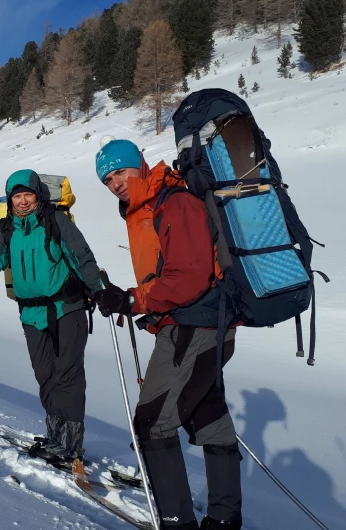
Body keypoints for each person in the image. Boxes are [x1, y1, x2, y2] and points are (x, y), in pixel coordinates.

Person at [94, 139, 242, 530]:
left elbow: (187, 277)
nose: (116, 183)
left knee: (152, 423)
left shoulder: (172, 201)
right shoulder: (149, 205)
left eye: (121, 172)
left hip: (192, 325)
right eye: (108, 179)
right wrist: (136, 299)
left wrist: (133, 299)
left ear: (139, 164)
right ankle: (224, 519)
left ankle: (176, 523)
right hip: (206, 323)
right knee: (208, 414)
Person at [0, 169, 105, 464]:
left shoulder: (57, 222)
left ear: (38, 194)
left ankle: (71, 445)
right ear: (9, 200)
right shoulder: (7, 231)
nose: (22, 201)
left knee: (67, 375)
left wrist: (100, 291)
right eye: (16, 196)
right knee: (46, 376)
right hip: (31, 314)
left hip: (67, 309)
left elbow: (83, 258)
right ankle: (57, 437)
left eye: (27, 194)